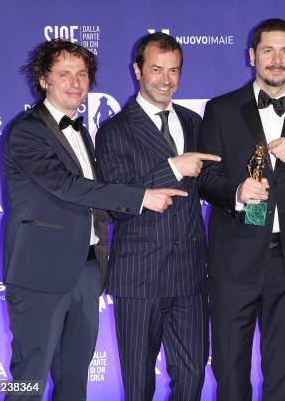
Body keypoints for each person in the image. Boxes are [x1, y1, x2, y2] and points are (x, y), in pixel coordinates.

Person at [2, 39, 181, 400]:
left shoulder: (82, 130)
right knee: (29, 380)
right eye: (64, 74)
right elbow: (69, 187)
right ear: (43, 80)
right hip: (40, 274)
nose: (75, 83)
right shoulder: (27, 131)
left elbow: (95, 199)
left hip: (86, 272)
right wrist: (140, 197)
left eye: (82, 74)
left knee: (74, 382)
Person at [197, 18, 285, 400]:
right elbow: (205, 179)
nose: (277, 59)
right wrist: (237, 192)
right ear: (252, 55)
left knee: (283, 377)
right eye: (269, 50)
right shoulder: (221, 109)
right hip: (233, 262)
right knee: (230, 374)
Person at [95, 32, 219, 401]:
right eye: (156, 69)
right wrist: (172, 167)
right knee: (138, 384)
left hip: (190, 275)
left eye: (174, 70)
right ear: (137, 71)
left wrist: (241, 197)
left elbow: (208, 183)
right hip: (139, 277)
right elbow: (117, 199)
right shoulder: (114, 130)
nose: (166, 79)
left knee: (193, 375)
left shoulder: (193, 122)